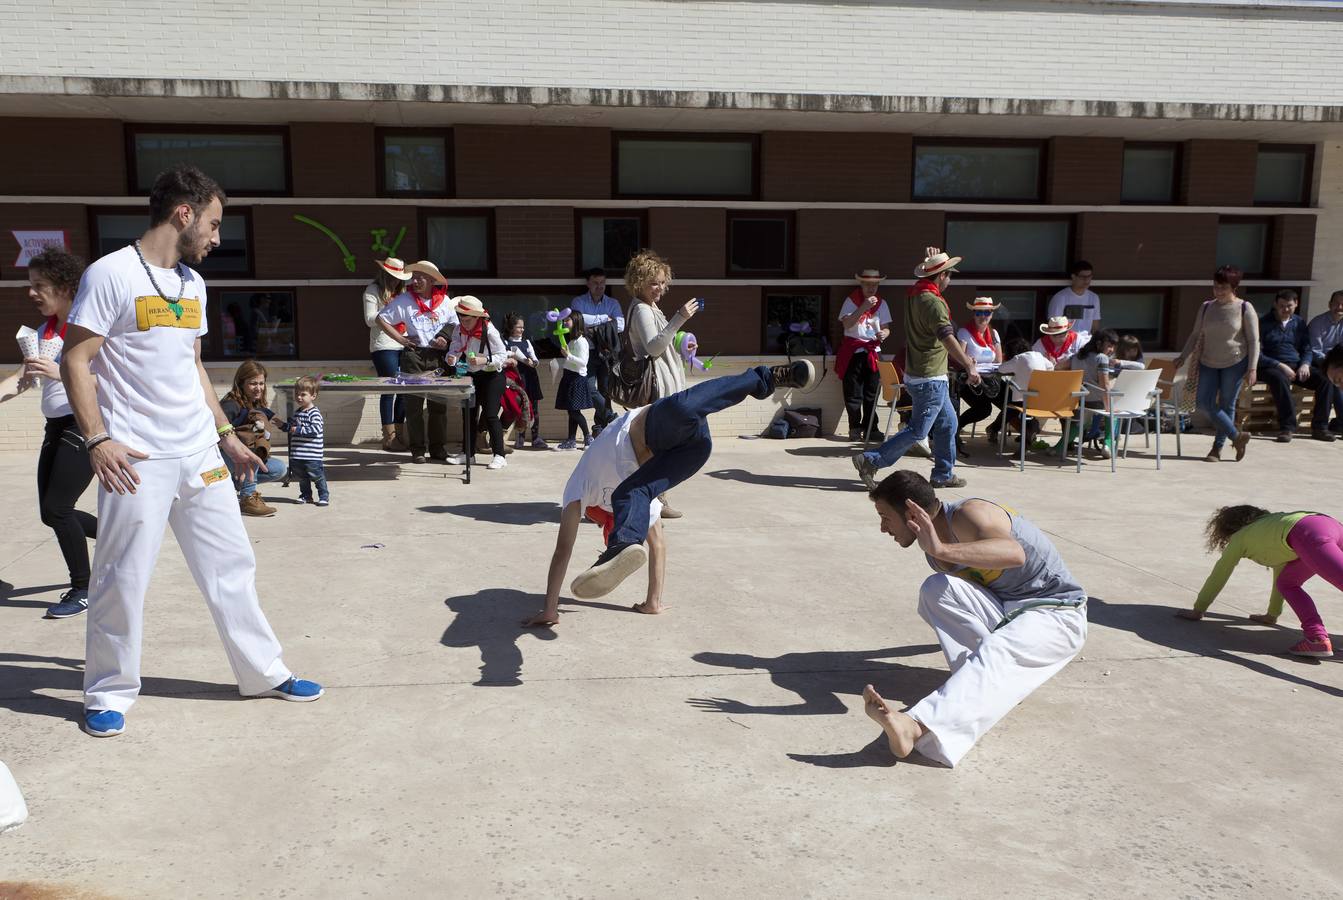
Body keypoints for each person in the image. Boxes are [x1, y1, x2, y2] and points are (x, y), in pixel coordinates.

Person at [60, 163, 322, 738]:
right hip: (136, 460)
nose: (216, 237)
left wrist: (226, 437)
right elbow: (75, 359)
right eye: (213, 223)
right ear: (184, 214)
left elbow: (194, 366)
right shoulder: (110, 275)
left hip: (199, 452)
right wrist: (98, 439)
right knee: (122, 577)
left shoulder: (192, 284)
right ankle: (108, 690)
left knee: (232, 566)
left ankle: (262, 671)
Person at [521, 360, 815, 628]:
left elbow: (563, 551)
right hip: (690, 448)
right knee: (636, 485)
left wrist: (551, 609)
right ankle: (621, 548)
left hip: (664, 432)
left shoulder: (582, 487)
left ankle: (769, 377)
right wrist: (653, 603)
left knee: (688, 411)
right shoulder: (613, 496)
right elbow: (657, 545)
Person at [860, 470, 1086, 767]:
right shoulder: (933, 544)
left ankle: (915, 727)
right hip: (1009, 610)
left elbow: (1014, 553)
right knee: (936, 589)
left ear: (911, 512)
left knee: (999, 647)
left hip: (1057, 613)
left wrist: (941, 549)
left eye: (885, 516)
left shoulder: (970, 515)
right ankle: (991, 686)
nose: (882, 527)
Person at [0, 248, 98, 619]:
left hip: (82, 421)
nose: (31, 292)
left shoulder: (89, 325)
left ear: (64, 286)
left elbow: (113, 381)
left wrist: (62, 373)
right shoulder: (46, 331)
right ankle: (116, 537)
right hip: (55, 424)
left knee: (57, 509)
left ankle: (84, 587)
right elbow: (22, 380)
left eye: (38, 285)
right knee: (51, 512)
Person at [853, 247, 981, 492]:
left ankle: (943, 474)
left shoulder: (915, 294)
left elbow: (926, 275)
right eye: (949, 275)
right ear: (941, 276)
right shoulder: (933, 302)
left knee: (948, 424)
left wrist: (930, 258)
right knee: (918, 430)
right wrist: (967, 364)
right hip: (929, 376)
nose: (950, 280)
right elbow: (946, 336)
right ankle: (870, 460)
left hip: (922, 372)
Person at [1176, 505, 1343, 658]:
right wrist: (1272, 615)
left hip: (1307, 533)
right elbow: (1281, 576)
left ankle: (1316, 640)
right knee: (1287, 582)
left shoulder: (1240, 538)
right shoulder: (1271, 527)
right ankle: (1316, 636)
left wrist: (1198, 609)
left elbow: (1219, 574)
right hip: (1331, 525)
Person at [625, 249, 702, 519]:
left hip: (662, 387)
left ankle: (656, 499)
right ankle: (655, 501)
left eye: (663, 282)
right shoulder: (642, 310)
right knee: (657, 446)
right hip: (654, 390)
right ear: (639, 282)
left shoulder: (650, 307)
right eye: (654, 282)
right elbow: (654, 346)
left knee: (657, 445)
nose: (660, 288)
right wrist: (680, 317)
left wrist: (683, 340)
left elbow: (664, 340)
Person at [1174, 265, 1260, 463]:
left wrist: (1252, 368)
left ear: (1233, 287)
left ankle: (1217, 448)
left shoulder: (1245, 308)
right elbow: (1195, 334)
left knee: (1227, 404)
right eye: (1216, 287)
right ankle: (1237, 437)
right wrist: (1183, 356)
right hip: (1208, 361)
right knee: (1203, 402)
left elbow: (1254, 340)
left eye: (1223, 287)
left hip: (1235, 362)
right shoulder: (1206, 307)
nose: (1218, 291)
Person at [376, 260, 457, 464]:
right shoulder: (405, 300)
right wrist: (401, 339)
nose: (416, 281)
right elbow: (381, 319)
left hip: (438, 358)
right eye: (414, 277)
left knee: (438, 406)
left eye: (421, 277)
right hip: (414, 356)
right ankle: (418, 450)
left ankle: (438, 448)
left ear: (431, 280)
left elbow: (454, 323)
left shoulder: (444, 301)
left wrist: (444, 338)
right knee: (413, 406)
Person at [1256, 289, 1333, 443]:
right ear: (1275, 304)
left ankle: (1320, 427)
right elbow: (1257, 354)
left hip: (1296, 364)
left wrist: (1305, 364)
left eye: (1289, 306)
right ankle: (1287, 427)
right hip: (1270, 366)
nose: (1285, 310)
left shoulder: (1299, 323)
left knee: (1325, 380)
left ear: (1296, 304)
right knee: (1280, 379)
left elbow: (1306, 347)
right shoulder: (1263, 323)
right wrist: (1279, 365)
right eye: (1282, 306)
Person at [445, 296, 510, 471]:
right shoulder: (458, 330)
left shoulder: (490, 331)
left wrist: (485, 360)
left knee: (490, 415)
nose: (463, 323)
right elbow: (454, 350)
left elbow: (503, 356)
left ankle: (499, 455)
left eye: (467, 320)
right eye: (461, 319)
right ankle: (468, 454)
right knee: (469, 415)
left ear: (477, 317)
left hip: (492, 376)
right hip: (471, 375)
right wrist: (451, 359)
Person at [220, 360, 288, 517]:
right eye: (253, 383)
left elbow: (273, 418)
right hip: (224, 455)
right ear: (241, 383)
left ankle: (237, 483)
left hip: (243, 456)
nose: (258, 388)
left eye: (261, 383)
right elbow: (214, 430)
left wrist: (288, 427)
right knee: (251, 450)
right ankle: (247, 498)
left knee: (279, 468)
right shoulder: (231, 404)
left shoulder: (255, 404)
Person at [836, 269, 892, 441]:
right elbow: (847, 324)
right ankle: (854, 428)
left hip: (873, 352)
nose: (871, 288)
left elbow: (887, 327)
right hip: (854, 351)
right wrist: (864, 307)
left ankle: (871, 428)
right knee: (853, 393)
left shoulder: (882, 303)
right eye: (868, 284)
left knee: (872, 393)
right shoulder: (851, 301)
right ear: (861, 284)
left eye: (875, 285)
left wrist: (885, 333)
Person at [363, 257, 412, 452]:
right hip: (384, 345)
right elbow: (369, 319)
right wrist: (388, 311)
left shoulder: (404, 292)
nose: (396, 280)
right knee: (389, 388)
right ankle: (389, 437)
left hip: (405, 343)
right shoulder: (372, 290)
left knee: (404, 391)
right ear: (384, 273)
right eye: (393, 276)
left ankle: (399, 434)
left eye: (399, 277)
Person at [571, 267, 624, 433]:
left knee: (605, 390)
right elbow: (578, 321)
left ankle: (600, 426)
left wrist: (592, 327)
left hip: (607, 353)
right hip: (586, 352)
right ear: (588, 283)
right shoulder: (578, 302)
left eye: (602, 283)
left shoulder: (613, 303)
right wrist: (605, 321)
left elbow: (620, 325)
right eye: (595, 283)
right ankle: (610, 416)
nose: (599, 286)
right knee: (589, 387)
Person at [954, 296, 1004, 452]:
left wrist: (995, 343)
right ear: (973, 314)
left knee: (1011, 405)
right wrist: (969, 361)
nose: (983, 316)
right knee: (984, 409)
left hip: (991, 379)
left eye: (987, 312)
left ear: (992, 314)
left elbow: (998, 360)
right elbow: (959, 356)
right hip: (971, 379)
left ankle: (994, 429)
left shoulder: (994, 333)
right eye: (979, 312)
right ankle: (956, 429)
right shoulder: (964, 332)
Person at [987, 337, 1053, 447]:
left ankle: (994, 428)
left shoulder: (1018, 358)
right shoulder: (1039, 355)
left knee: (1009, 407)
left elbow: (1001, 369)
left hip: (1022, 399)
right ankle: (1027, 433)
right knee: (1016, 409)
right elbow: (1051, 366)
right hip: (1040, 400)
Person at [275, 375, 327, 506]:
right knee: (303, 478)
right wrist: (281, 424)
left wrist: (296, 430)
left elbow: (315, 429)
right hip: (298, 455)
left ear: (313, 396)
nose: (299, 397)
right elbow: (291, 428)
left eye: (303, 394)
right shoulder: (297, 412)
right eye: (297, 394)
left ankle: (323, 496)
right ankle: (306, 496)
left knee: (317, 477)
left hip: (312, 456)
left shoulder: (314, 413)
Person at [503, 311, 546, 449]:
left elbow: (535, 359)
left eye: (523, 327)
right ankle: (519, 438)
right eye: (519, 327)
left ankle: (535, 437)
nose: (522, 330)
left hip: (531, 377)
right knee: (520, 407)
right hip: (517, 379)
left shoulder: (527, 342)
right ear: (511, 328)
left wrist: (533, 362)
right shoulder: (505, 343)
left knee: (534, 408)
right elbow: (505, 358)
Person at [554, 312, 594, 450]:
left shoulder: (582, 342)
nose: (565, 323)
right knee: (571, 410)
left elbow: (583, 363)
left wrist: (568, 356)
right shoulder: (571, 341)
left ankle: (588, 437)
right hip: (569, 377)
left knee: (574, 411)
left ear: (576, 322)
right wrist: (567, 356)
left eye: (568, 320)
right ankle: (571, 440)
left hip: (577, 379)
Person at [1307, 289, 1343, 435]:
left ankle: (1339, 423)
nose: (1339, 307)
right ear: (1329, 304)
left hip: (1339, 365)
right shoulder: (1317, 322)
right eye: (1336, 304)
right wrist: (1332, 365)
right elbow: (1315, 351)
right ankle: (1330, 424)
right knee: (1333, 381)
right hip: (1320, 363)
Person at [1047, 260, 1101, 336]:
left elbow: (1095, 327)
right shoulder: (1060, 298)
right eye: (1083, 277)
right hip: (1066, 344)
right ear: (1073, 276)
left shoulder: (1094, 298)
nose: (1086, 280)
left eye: (1089, 276)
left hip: (1087, 345)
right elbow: (1054, 327)